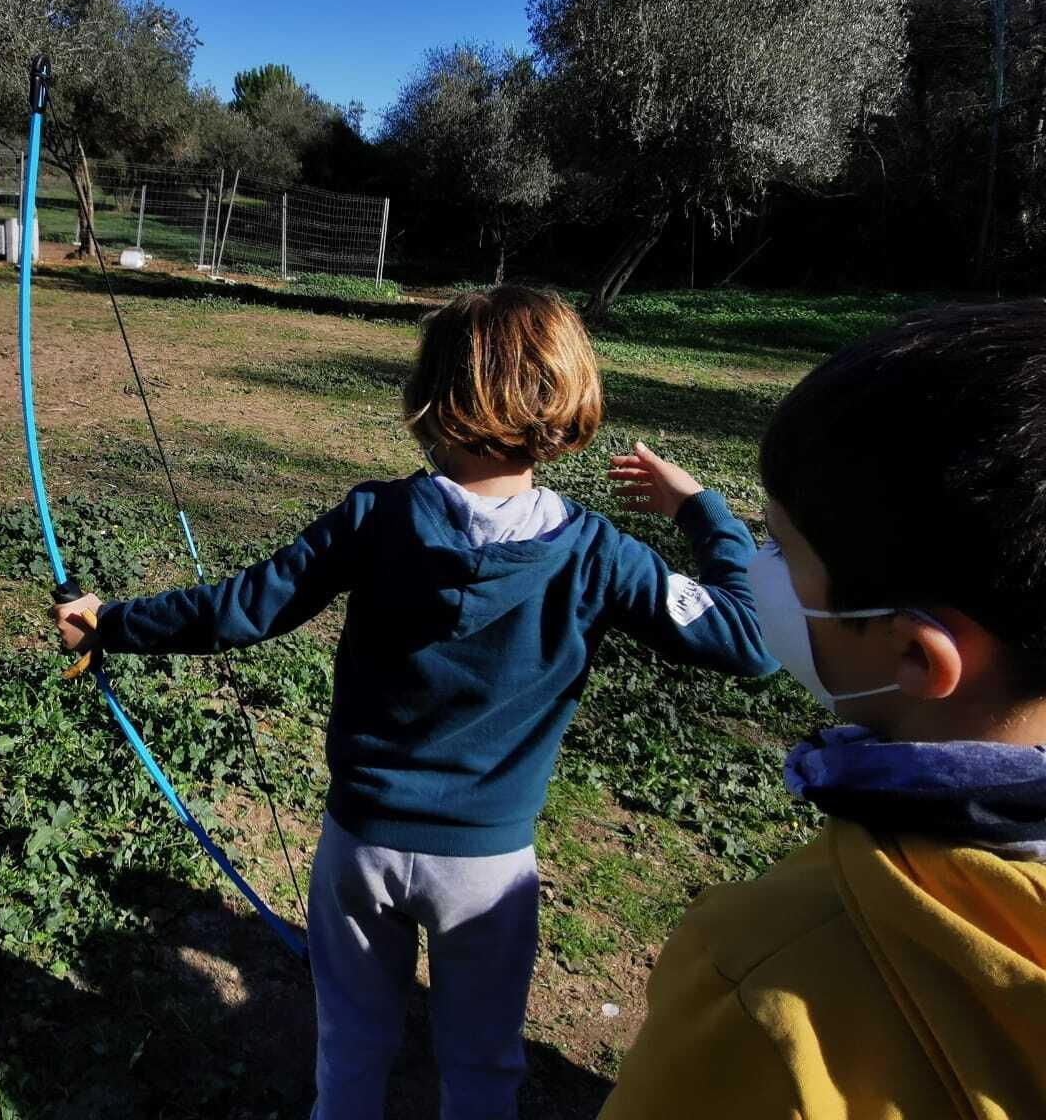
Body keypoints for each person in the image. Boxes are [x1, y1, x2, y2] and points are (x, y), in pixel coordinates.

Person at [53, 286, 775, 1119]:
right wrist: (700, 511)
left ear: (431, 400)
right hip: (487, 871)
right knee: (479, 1069)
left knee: (352, 1049)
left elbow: (240, 610)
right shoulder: (601, 555)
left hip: (360, 846)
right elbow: (747, 639)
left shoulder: (375, 517)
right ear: (566, 402)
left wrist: (110, 623)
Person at [600, 303, 1046, 1119]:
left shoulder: (761, 976)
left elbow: (741, 632)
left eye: (782, 551)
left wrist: (707, 519)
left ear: (917, 656)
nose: (766, 569)